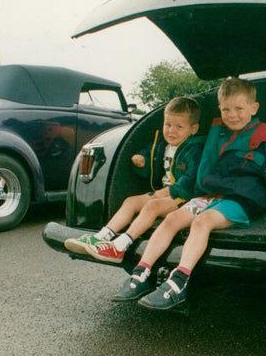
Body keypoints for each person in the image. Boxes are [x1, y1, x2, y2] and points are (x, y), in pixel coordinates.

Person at [112, 77, 266, 310]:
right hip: (209, 194)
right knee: (172, 218)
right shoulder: (217, 131)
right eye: (226, 109)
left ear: (253, 108)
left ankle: (179, 283)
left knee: (202, 221)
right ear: (220, 108)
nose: (232, 115)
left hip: (240, 200)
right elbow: (200, 157)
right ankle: (140, 274)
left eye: (239, 108)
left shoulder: (263, 136)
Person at [64, 96, 203, 263]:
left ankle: (120, 247)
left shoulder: (194, 149)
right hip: (164, 193)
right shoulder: (162, 145)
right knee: (131, 202)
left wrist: (165, 192)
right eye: (168, 125)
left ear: (193, 129)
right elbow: (151, 161)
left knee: (152, 206)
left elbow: (191, 181)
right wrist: (141, 162)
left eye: (179, 127)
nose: (171, 131)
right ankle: (101, 237)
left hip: (183, 197)